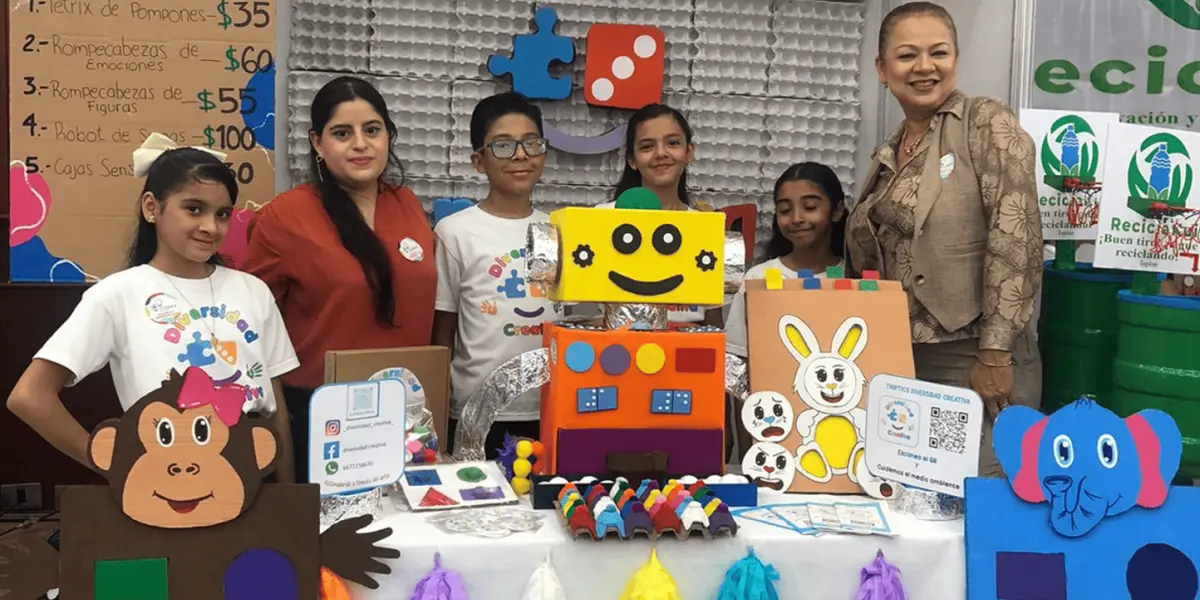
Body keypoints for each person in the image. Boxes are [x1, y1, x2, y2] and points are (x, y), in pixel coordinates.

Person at [7, 133, 299, 482]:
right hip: (170, 479)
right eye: (194, 209)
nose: (210, 226)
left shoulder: (253, 291)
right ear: (151, 207)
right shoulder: (119, 294)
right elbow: (29, 396)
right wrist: (114, 467)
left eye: (222, 214)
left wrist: (288, 498)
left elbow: (276, 406)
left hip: (255, 476)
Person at [846, 2, 1044, 476]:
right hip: (905, 362)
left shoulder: (984, 123)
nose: (924, 67)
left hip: (976, 356)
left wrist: (995, 354)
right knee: (918, 504)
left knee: (980, 503)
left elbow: (1017, 235)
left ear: (956, 57)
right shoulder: (890, 151)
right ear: (881, 68)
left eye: (938, 52)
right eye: (907, 55)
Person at [243, 76, 436, 481]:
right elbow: (249, 323)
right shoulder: (286, 216)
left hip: (405, 415)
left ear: (389, 136)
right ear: (317, 143)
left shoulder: (408, 206)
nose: (360, 144)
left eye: (372, 130)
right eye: (342, 133)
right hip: (319, 417)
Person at [431, 92, 561, 457]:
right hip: (476, 412)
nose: (520, 155)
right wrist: (439, 415)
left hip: (552, 406)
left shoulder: (559, 231)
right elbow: (444, 331)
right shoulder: (455, 232)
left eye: (531, 143)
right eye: (503, 146)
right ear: (478, 161)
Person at [589, 103, 723, 327]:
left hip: (681, 358)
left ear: (689, 152)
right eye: (647, 146)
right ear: (632, 160)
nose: (661, 153)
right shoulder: (602, 218)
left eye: (673, 143)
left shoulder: (705, 228)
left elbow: (713, 324)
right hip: (617, 355)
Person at [725, 162, 846, 358]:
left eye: (810, 207)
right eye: (784, 210)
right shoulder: (759, 277)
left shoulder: (851, 276)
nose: (796, 218)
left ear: (837, 210)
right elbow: (736, 353)